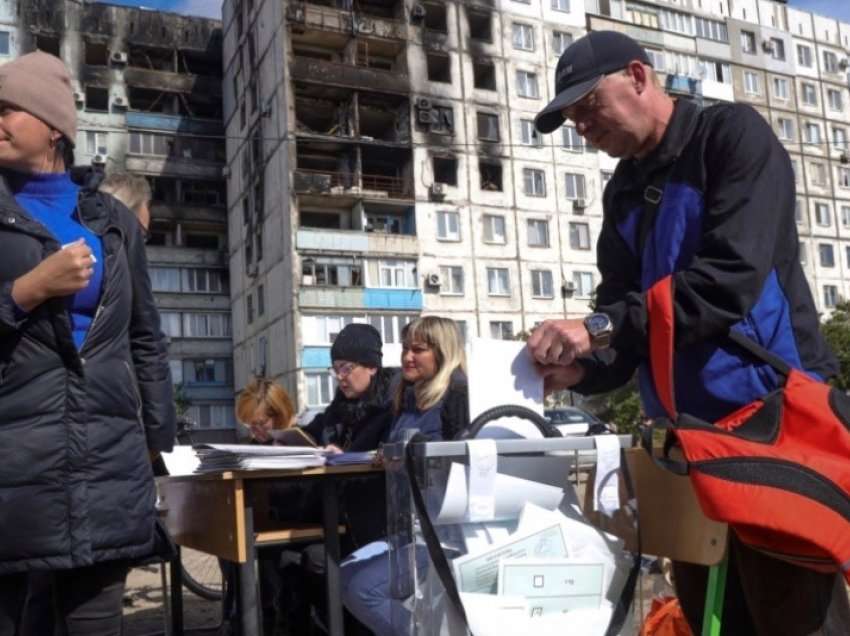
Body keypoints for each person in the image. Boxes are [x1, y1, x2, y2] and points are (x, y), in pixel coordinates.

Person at [527, 30, 850, 634]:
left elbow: (728, 280)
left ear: (639, 76)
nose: (582, 127)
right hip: (689, 448)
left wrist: (597, 329)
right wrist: (584, 368)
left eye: (588, 107)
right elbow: (621, 318)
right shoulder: (622, 189)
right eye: (572, 119)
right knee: (711, 619)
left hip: (772, 427)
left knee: (794, 615)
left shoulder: (730, 137)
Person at [0, 51, 175, 636]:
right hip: (15, 472)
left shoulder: (112, 223)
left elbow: (144, 336)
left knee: (96, 625)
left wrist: (155, 441)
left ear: (52, 125)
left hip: (107, 467)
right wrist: (26, 290)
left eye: (7, 109)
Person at [340, 316, 469, 636]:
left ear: (443, 352)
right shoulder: (407, 397)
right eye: (405, 348)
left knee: (363, 590)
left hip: (445, 537)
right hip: (408, 529)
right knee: (343, 575)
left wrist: (411, 457)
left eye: (419, 350)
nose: (407, 357)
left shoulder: (458, 397)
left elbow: (462, 464)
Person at [236, 375, 297, 442]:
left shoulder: (302, 440)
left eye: (262, 423)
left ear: (280, 415)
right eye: (250, 425)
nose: (255, 432)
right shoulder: (255, 444)